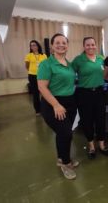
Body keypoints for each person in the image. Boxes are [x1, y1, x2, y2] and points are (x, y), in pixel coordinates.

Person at [37, 33, 78, 180]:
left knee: (63, 133)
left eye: (64, 43)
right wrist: (56, 105)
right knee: (66, 133)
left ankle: (61, 158)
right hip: (53, 103)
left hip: (70, 102)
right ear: (52, 46)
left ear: (67, 45)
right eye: (58, 43)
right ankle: (66, 164)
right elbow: (41, 87)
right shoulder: (46, 64)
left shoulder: (69, 64)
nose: (61, 45)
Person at [72, 37, 108, 159]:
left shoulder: (100, 58)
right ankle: (91, 145)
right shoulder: (78, 60)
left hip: (99, 93)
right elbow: (69, 74)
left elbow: (105, 73)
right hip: (84, 94)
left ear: (96, 45)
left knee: (101, 119)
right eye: (88, 45)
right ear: (84, 46)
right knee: (87, 120)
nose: (90, 47)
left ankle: (101, 143)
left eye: (93, 44)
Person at [25, 40, 47, 115]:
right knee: (36, 94)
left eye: (34, 45)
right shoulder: (29, 55)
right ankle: (38, 110)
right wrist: (32, 71)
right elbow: (27, 66)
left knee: (44, 92)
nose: (33, 47)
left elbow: (46, 66)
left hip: (42, 76)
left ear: (38, 46)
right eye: (31, 45)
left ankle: (45, 108)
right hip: (32, 76)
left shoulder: (43, 55)